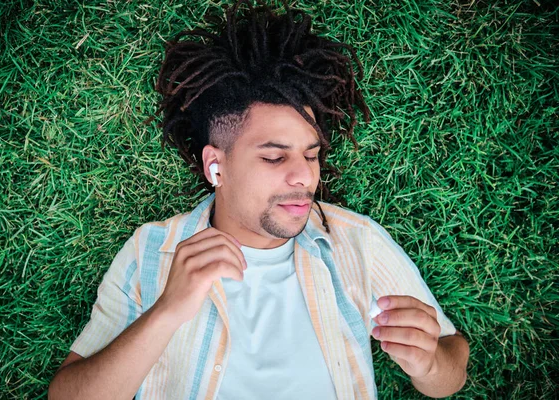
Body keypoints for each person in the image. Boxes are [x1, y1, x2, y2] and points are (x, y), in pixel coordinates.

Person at [48, 0, 469, 399]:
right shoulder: (153, 251)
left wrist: (429, 364)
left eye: (311, 154)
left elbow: (452, 365)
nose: (305, 176)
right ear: (217, 166)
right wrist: (167, 311)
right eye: (273, 156)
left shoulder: (355, 243)